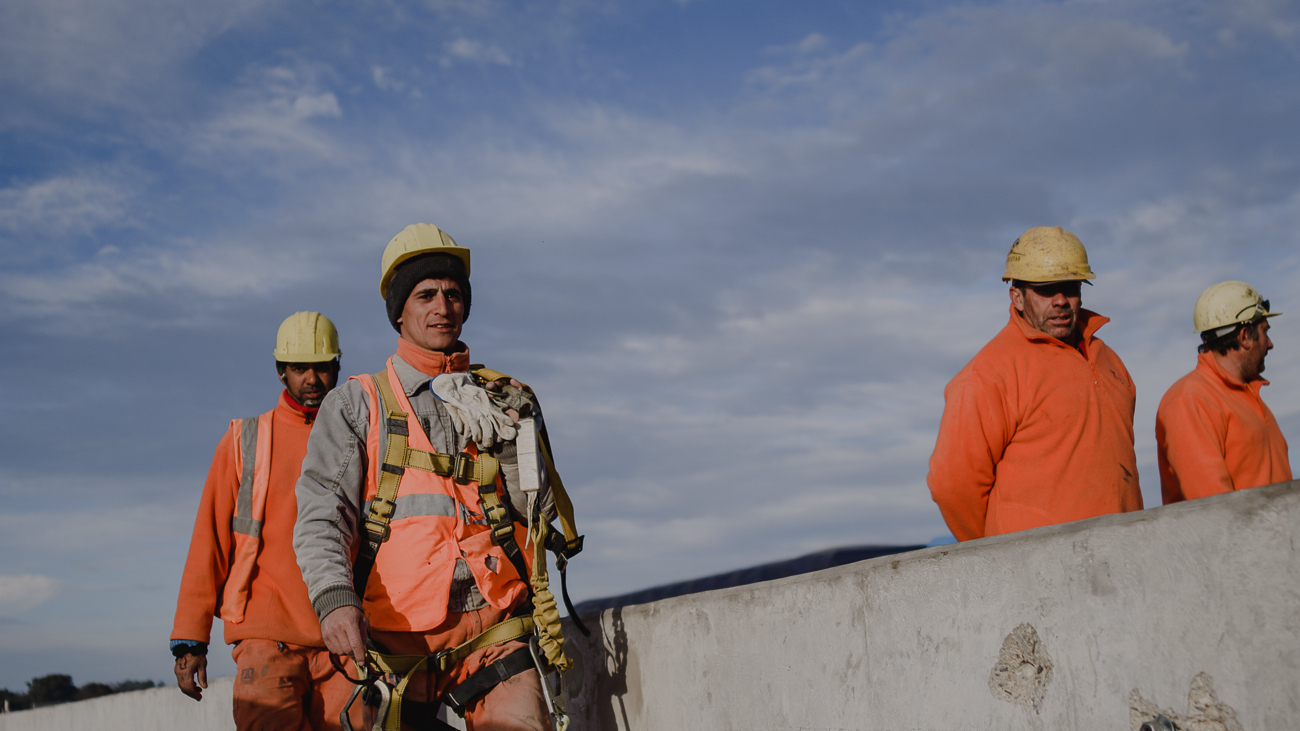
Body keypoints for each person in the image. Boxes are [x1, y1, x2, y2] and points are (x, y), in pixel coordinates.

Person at [294, 223, 555, 731]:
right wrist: (334, 601)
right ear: (399, 310)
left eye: (454, 294)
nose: (443, 306)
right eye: (426, 294)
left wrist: (510, 444)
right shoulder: (356, 405)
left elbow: (536, 516)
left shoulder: (505, 398)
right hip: (396, 645)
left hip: (494, 629)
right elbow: (324, 515)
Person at [170, 311, 364, 731]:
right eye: (299, 369)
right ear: (281, 372)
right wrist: (190, 638)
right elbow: (209, 540)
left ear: (337, 368)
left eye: (322, 367)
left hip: (346, 640)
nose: (312, 379)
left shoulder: (361, 438)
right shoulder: (246, 440)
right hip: (266, 639)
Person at [927, 226, 1142, 541]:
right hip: (1038, 574)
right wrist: (1000, 552)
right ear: (1017, 296)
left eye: (1069, 287)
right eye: (1045, 289)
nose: (1060, 301)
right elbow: (952, 485)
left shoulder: (1108, 360)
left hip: (1125, 553)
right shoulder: (988, 373)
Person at [1156, 280, 1290, 503]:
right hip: (1238, 537)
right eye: (1265, 332)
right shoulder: (1191, 399)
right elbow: (1214, 509)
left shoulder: (1249, 399)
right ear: (1244, 336)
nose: (1270, 344)